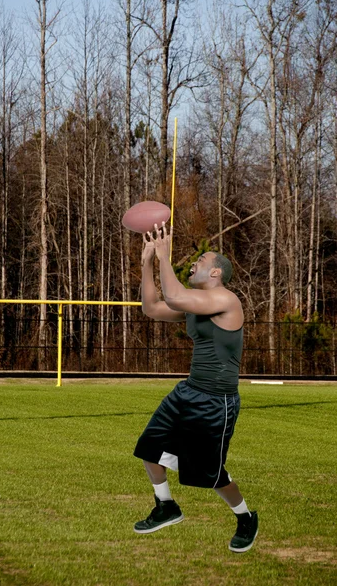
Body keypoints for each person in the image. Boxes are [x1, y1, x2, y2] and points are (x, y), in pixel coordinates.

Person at [133, 222, 258, 553]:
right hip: (188, 391)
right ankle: (166, 506)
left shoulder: (225, 299)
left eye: (201, 260)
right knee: (148, 448)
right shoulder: (195, 304)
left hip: (217, 402)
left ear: (215, 272)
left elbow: (173, 295)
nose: (193, 262)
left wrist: (163, 256)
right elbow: (152, 308)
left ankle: (245, 517)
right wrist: (147, 261)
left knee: (211, 474)